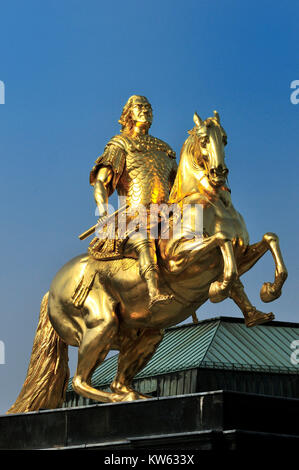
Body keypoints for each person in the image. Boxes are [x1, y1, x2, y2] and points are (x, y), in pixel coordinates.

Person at [89, 95, 178, 312]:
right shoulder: (121, 144)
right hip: (134, 216)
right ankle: (153, 292)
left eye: (149, 107)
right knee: (143, 238)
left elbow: (177, 186)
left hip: (167, 216)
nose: (146, 110)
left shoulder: (164, 149)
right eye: (140, 107)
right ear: (129, 113)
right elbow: (101, 182)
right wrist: (103, 209)